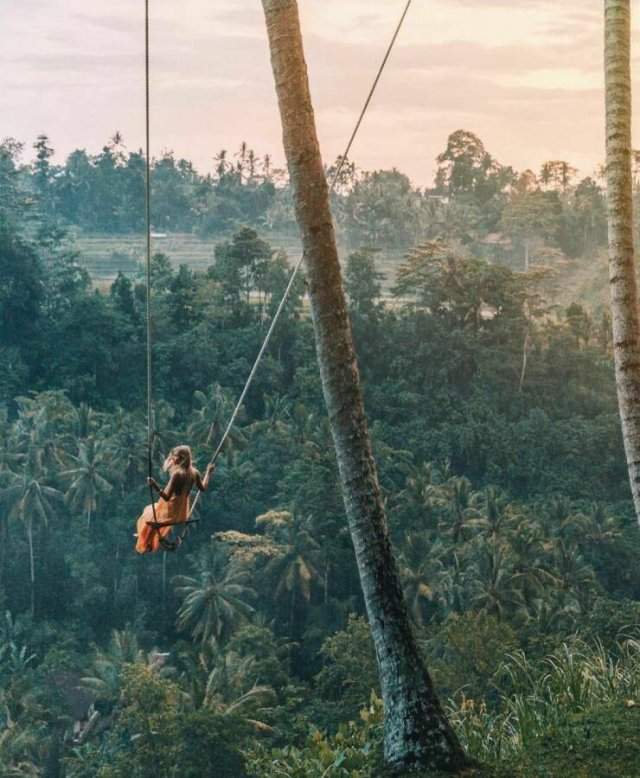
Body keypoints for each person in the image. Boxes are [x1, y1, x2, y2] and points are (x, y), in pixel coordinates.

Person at [135, 445, 215, 554]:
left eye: (175, 457)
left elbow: (166, 497)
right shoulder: (194, 472)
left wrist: (154, 485)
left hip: (170, 511)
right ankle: (149, 541)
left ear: (181, 458)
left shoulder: (177, 474)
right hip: (181, 513)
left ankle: (146, 542)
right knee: (152, 515)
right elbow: (203, 488)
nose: (173, 459)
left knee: (149, 513)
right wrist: (208, 473)